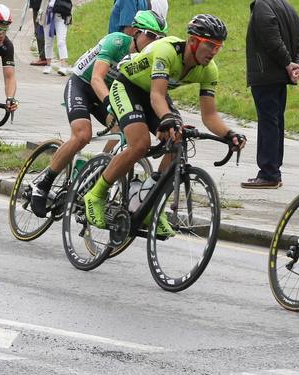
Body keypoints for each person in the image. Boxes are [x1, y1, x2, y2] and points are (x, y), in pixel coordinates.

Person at [81, 14, 247, 237]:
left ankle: (150, 204)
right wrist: (167, 118)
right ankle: (96, 194)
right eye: (210, 45)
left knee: (177, 139)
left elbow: (209, 115)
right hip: (127, 86)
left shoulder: (209, 70)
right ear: (193, 41)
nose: (214, 52)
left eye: (218, 47)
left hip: (152, 93)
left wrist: (230, 134)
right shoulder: (167, 51)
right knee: (139, 144)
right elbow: (157, 96)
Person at [28, 9, 167, 216]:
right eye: (151, 35)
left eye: (160, 38)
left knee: (125, 130)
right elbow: (96, 79)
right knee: (83, 135)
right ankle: (43, 183)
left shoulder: (152, 56)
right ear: (136, 32)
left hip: (109, 93)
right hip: (83, 85)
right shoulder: (116, 42)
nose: (155, 41)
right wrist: (111, 104)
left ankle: (98, 170)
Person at [242, 0, 299, 190]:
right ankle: (273, 170)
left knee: (269, 122)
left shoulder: (261, 5)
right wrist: (297, 64)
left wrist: (289, 64)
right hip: (280, 76)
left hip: (266, 74)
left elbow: (271, 40)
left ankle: (268, 172)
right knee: (276, 122)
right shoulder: (286, 4)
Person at [34, 0, 73, 74]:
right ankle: (48, 64)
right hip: (47, 15)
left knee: (61, 41)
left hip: (61, 16)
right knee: (48, 41)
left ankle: (63, 66)